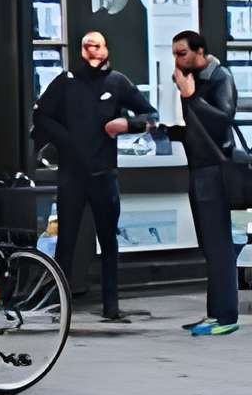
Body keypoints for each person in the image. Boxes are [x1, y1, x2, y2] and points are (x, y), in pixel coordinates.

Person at [32, 27, 156, 323]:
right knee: (66, 240)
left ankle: (111, 306)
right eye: (87, 45)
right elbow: (41, 116)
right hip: (72, 175)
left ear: (107, 49)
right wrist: (67, 140)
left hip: (104, 173)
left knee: (109, 240)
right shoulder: (66, 81)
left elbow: (150, 115)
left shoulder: (117, 82)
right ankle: (60, 305)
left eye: (97, 45)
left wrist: (127, 125)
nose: (92, 51)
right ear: (80, 50)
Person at [169, 29, 240, 336]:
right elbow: (197, 128)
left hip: (214, 171)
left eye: (182, 53)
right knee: (209, 246)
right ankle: (214, 314)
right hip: (197, 169)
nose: (176, 59)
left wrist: (191, 96)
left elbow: (222, 120)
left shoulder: (220, 77)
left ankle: (226, 317)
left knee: (219, 245)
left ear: (199, 52)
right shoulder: (193, 79)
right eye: (174, 53)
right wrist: (168, 131)